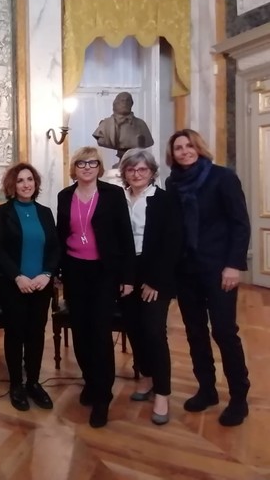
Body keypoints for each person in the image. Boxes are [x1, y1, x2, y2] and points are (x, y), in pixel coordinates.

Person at [165, 129, 251, 426]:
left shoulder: (222, 177)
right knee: (195, 332)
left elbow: (240, 223)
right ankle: (207, 389)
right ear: (172, 153)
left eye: (189, 145)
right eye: (178, 147)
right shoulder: (172, 183)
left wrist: (233, 265)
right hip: (186, 271)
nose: (185, 151)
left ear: (199, 147)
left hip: (218, 269)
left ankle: (239, 397)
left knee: (225, 332)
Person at [56, 147, 136, 428]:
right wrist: (56, 271)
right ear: (74, 167)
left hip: (104, 273)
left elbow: (125, 237)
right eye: (81, 163)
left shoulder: (113, 195)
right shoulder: (64, 196)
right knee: (80, 332)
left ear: (99, 167)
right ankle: (90, 381)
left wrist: (127, 278)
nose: (87, 167)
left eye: (93, 163)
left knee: (100, 334)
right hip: (75, 271)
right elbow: (60, 235)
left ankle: (103, 396)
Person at [117, 149, 182, 425]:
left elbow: (173, 244)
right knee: (133, 328)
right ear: (125, 174)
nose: (137, 174)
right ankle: (146, 377)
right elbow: (119, 242)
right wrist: (125, 278)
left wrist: (155, 281)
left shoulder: (165, 200)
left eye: (142, 170)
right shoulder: (119, 200)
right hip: (128, 272)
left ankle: (163, 393)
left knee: (154, 331)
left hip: (157, 272)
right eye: (131, 170)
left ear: (152, 172)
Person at [0, 163, 60, 412]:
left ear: (36, 183)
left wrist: (47, 273)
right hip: (14, 286)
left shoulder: (45, 212)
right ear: (12, 185)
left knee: (36, 335)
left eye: (29, 179)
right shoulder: (2, 212)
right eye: (20, 180)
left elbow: (54, 247)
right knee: (15, 335)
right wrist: (17, 277)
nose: (26, 184)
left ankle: (33, 382)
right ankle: (16, 385)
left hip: (41, 285)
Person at [92, 92, 154, 165]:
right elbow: (101, 141)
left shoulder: (141, 124)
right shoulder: (106, 124)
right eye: (122, 100)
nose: (125, 103)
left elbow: (148, 142)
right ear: (116, 104)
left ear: (131, 104)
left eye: (128, 101)